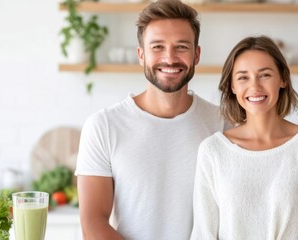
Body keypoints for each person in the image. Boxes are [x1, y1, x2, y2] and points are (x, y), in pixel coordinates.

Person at [75, 0, 225, 239]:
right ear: (141, 55)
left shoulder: (223, 124)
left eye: (181, 47)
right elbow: (93, 223)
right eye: (157, 47)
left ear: (196, 55)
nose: (170, 58)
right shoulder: (103, 126)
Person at [191, 36, 298, 240]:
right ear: (232, 86)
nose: (255, 86)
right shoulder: (213, 150)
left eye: (265, 75)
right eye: (243, 77)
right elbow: (203, 233)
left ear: (282, 79)